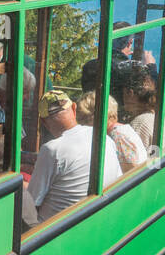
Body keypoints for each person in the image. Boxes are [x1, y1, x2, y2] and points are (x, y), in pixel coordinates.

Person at [23, 93, 121, 225]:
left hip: (51, 231)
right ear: (74, 109)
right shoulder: (104, 138)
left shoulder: (51, 149)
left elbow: (32, 200)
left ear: (44, 122)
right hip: (98, 219)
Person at [79, 90, 147, 174]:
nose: (82, 124)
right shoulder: (118, 130)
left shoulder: (117, 135)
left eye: (85, 119)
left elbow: (131, 172)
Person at [117, 60, 165, 152]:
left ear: (130, 93)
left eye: (123, 93)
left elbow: (130, 160)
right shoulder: (161, 119)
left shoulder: (139, 124)